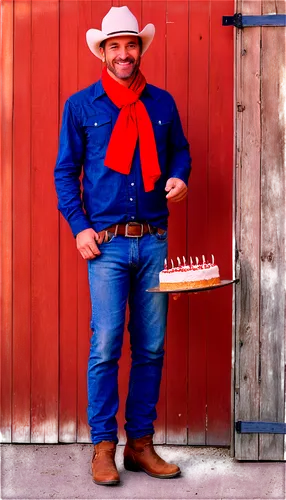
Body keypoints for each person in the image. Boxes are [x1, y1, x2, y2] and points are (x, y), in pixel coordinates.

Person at [54, 5, 191, 486]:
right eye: (115, 46)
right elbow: (64, 172)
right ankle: (103, 448)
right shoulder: (81, 106)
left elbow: (180, 149)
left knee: (151, 347)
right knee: (107, 344)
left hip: (153, 240)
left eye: (131, 44)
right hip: (107, 247)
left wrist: (178, 175)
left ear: (140, 49)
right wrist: (79, 226)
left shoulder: (163, 104)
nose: (124, 53)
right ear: (103, 53)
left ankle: (140, 445)